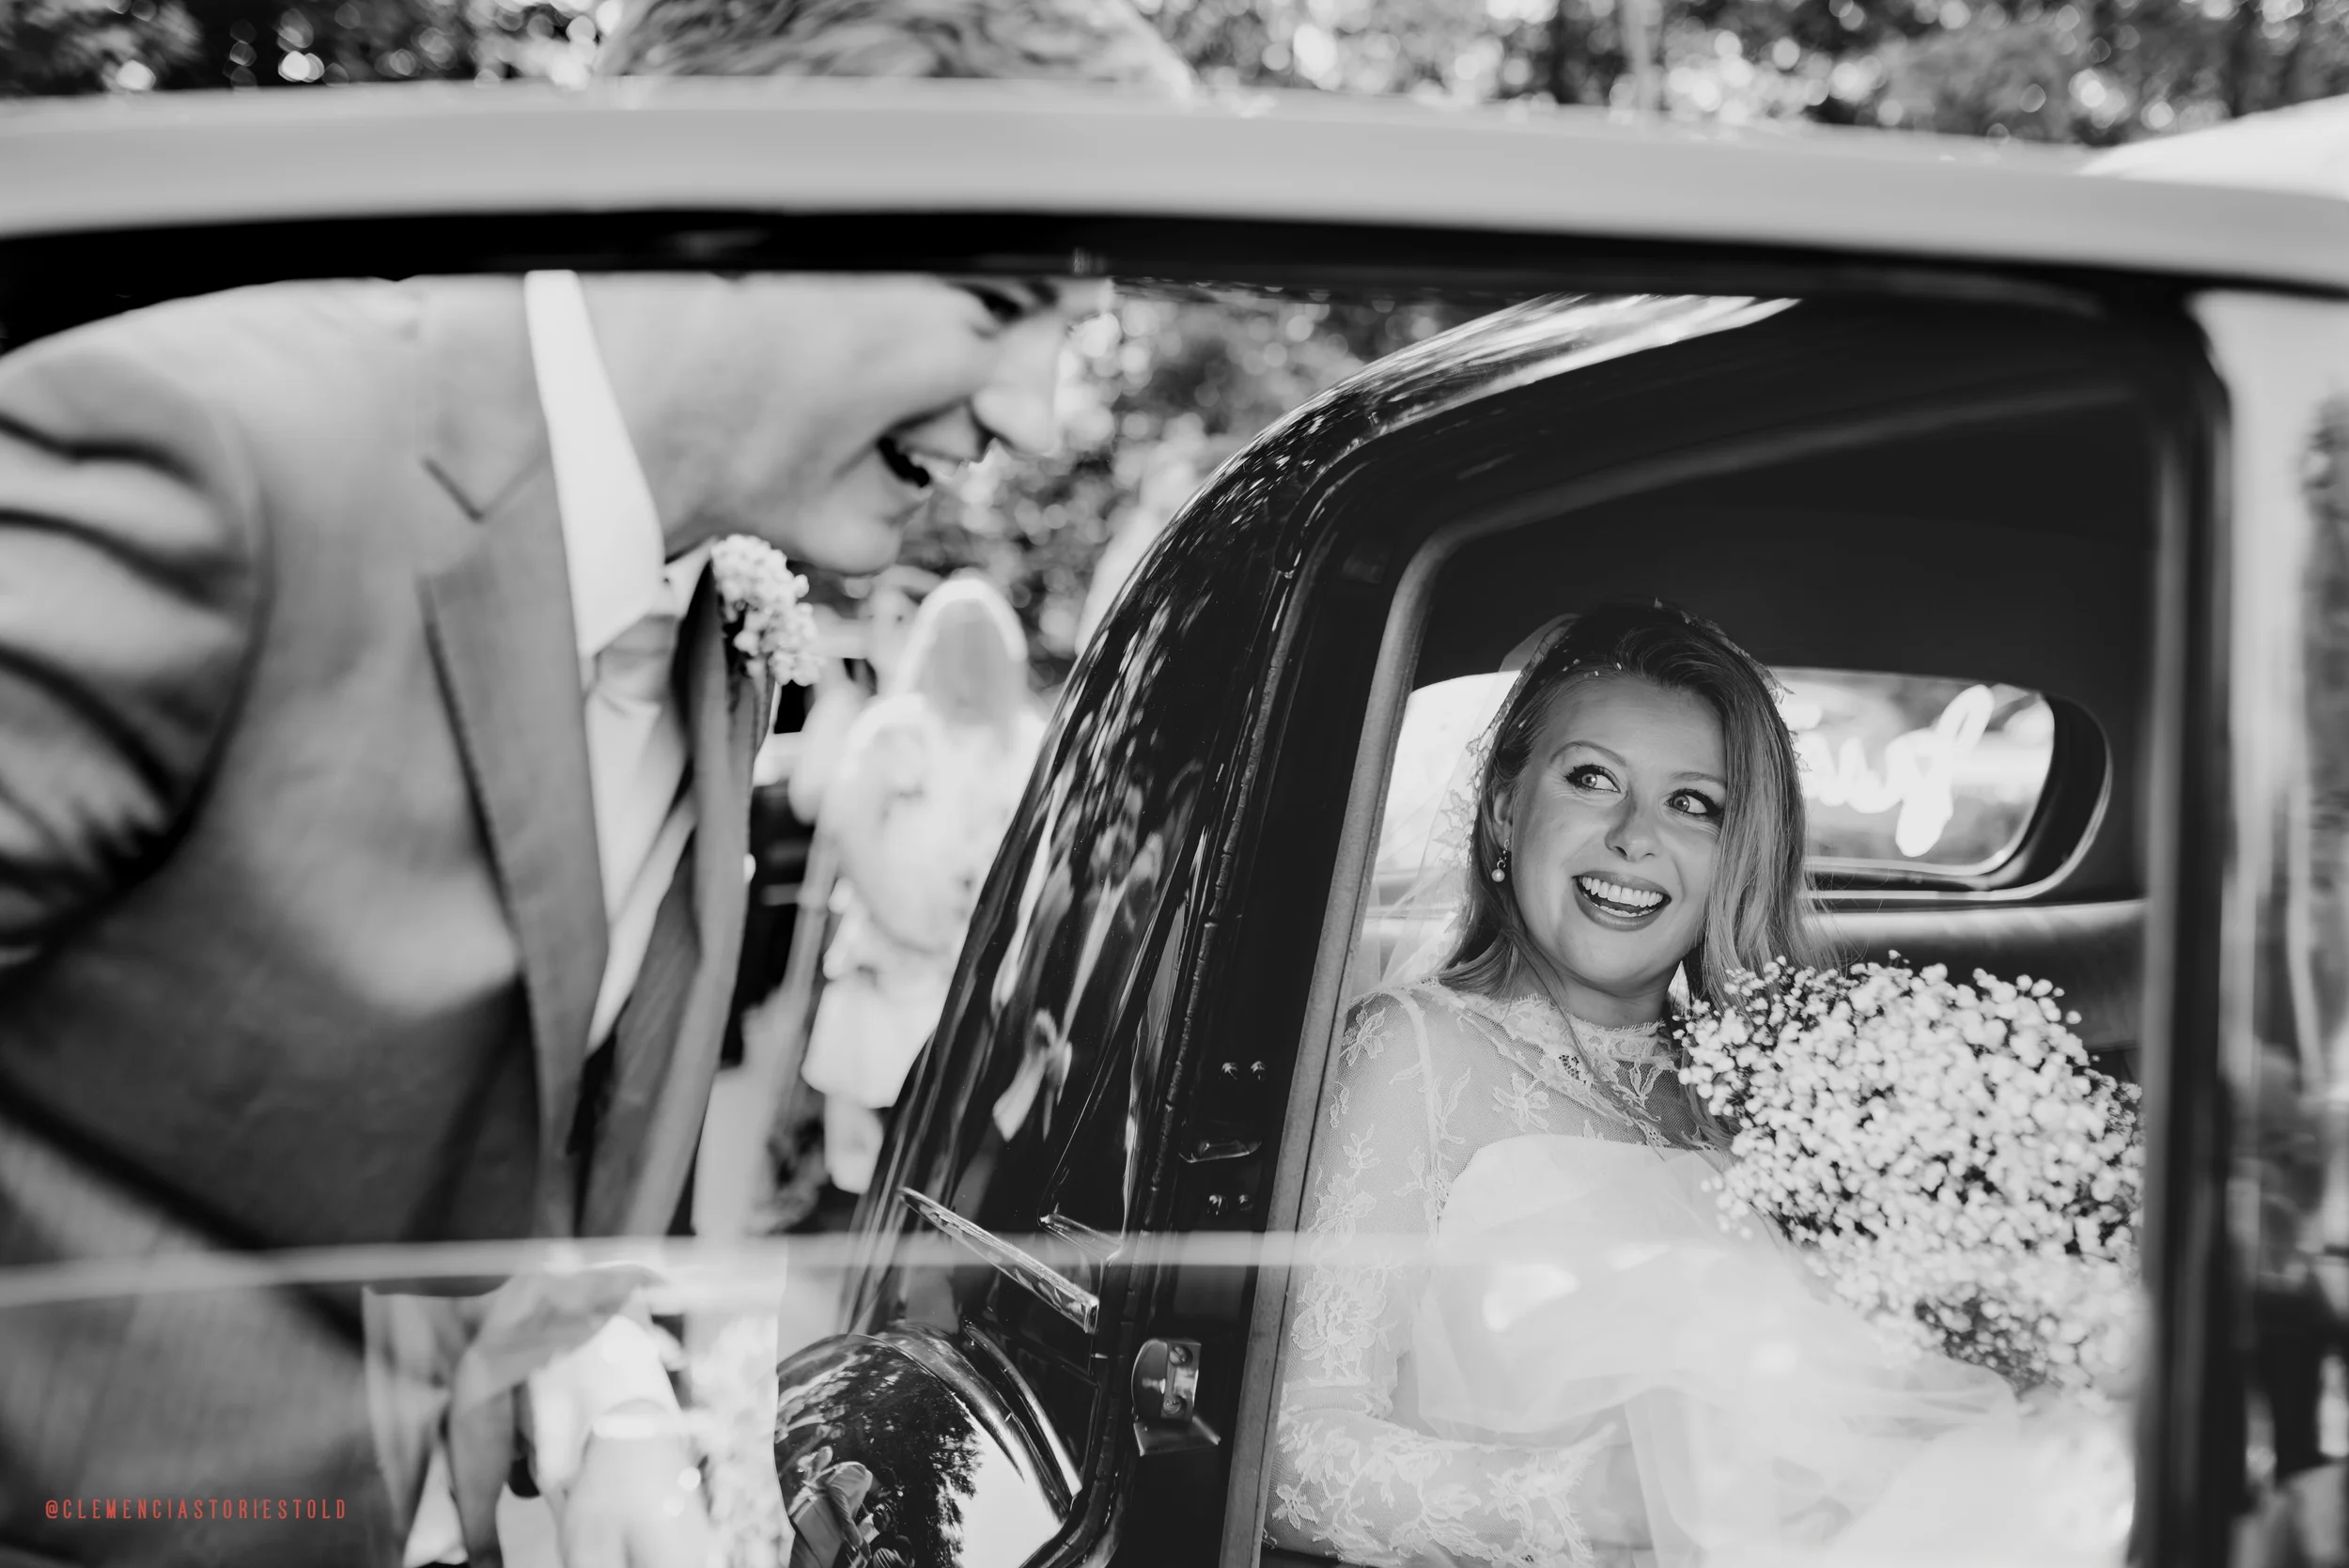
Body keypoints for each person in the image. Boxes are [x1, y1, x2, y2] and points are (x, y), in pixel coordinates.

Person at [0, 8, 1190, 1568]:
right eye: (996, 301)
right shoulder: (215, 452)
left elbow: (513, 1152)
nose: (1040, 421)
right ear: (729, 204)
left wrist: (605, 1378)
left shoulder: (725, 637)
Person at [1268, 603, 2052, 1568]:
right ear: (1506, 807)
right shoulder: (1414, 1050)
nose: (1636, 835)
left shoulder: (1752, 1094)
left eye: (1695, 803)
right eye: (1593, 778)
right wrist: (1586, 1505)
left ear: (1736, 854)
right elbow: (1292, 1456)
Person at [799, 575, 1046, 1194]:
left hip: (978, 965)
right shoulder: (892, 728)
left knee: (960, 1130)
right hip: (889, 956)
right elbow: (848, 828)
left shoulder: (1028, 740)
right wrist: (900, 915)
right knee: (863, 1130)